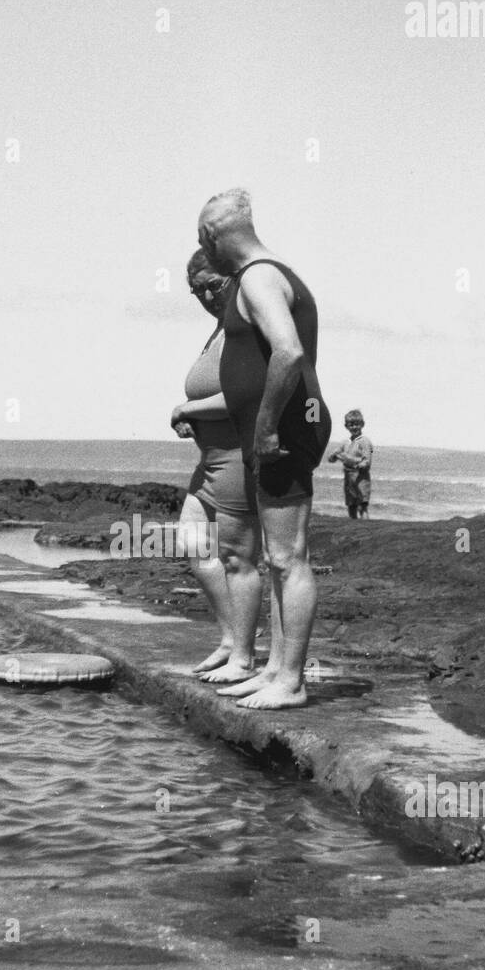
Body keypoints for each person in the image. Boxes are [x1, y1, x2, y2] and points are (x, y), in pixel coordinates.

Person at [199, 188, 332, 710]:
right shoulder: (263, 275)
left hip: (284, 430)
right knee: (278, 558)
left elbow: (289, 351)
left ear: (211, 237)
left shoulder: (258, 276)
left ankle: (292, 681)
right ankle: (275, 669)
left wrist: (267, 427)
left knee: (287, 556)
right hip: (277, 427)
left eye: (200, 240)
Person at [169, 249, 262, 682]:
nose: (206, 295)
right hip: (209, 462)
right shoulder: (219, 328)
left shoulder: (246, 326)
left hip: (237, 461)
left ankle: (244, 657)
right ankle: (230, 640)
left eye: (213, 285)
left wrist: (185, 409)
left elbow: (247, 396)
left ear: (234, 278)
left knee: (237, 559)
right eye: (196, 290)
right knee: (192, 544)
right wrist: (192, 416)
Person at [328, 409, 373, 518]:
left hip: (361, 477)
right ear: (346, 426)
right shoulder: (345, 442)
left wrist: (358, 465)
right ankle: (353, 526)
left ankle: (365, 526)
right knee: (351, 505)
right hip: (348, 478)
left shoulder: (364, 441)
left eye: (357, 424)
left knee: (362, 505)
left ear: (362, 424)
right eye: (351, 425)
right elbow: (332, 458)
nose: (354, 427)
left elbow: (367, 461)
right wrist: (334, 456)